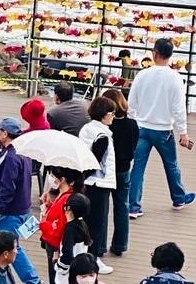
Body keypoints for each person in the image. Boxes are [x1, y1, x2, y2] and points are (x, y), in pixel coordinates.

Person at [127, 36, 195, 215]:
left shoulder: (142, 74)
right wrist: (183, 132)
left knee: (138, 167)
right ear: (171, 55)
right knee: (171, 165)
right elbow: (179, 108)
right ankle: (178, 198)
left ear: (154, 53)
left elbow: (131, 103)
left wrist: (132, 122)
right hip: (163, 129)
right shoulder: (175, 78)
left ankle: (133, 206)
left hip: (142, 127)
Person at [0, 115, 44, 284]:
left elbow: (8, 186)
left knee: (10, 246)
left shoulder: (11, 157)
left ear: (5, 134)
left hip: (11, 210)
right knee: (13, 244)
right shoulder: (22, 152)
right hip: (22, 207)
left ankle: (33, 280)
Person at [78, 95, 118, 261]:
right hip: (99, 182)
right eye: (112, 113)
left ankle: (83, 255)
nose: (113, 116)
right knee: (97, 224)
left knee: (86, 221)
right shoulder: (103, 136)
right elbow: (96, 161)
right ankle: (92, 259)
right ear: (104, 114)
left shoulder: (86, 129)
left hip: (86, 182)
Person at [105, 88, 136, 258]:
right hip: (124, 169)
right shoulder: (132, 125)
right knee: (122, 206)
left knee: (101, 208)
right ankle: (120, 244)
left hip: (107, 170)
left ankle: (99, 245)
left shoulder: (108, 127)